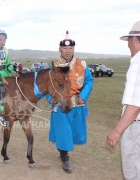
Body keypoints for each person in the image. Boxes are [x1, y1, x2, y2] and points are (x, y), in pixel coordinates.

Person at [46, 30, 94, 173]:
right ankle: (64, 156)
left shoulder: (82, 65)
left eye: (70, 48)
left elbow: (89, 82)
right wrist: (51, 98)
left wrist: (83, 96)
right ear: (60, 49)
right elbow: (48, 85)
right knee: (64, 131)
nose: (68, 51)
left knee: (74, 131)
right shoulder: (54, 67)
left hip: (77, 103)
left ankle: (64, 151)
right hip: (61, 104)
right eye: (65, 48)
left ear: (74, 49)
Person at [107, 21, 140, 179]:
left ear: (136, 39)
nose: (128, 45)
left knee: (136, 172)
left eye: (129, 41)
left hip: (139, 128)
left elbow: (135, 105)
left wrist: (117, 131)